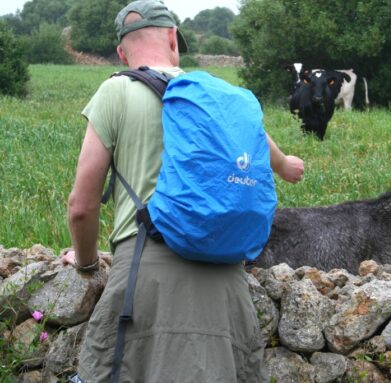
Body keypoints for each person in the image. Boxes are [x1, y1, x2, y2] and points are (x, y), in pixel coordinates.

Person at [62, 1, 304, 382]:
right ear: (173, 38)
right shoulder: (219, 99)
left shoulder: (116, 91)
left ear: (122, 52)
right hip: (227, 286)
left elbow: (81, 205)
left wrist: (87, 263)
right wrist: (287, 164)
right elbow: (266, 146)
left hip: (144, 278)